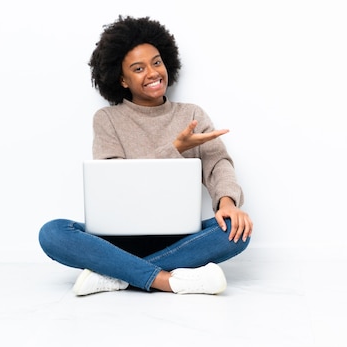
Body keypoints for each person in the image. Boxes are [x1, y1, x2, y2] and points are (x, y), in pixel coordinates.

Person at [38, 16, 253, 296]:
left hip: (178, 237)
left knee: (236, 231)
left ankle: (116, 274)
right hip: (118, 239)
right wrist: (175, 148)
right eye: (138, 68)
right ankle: (167, 280)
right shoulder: (108, 119)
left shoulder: (191, 114)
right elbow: (113, 183)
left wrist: (227, 204)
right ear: (122, 80)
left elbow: (218, 164)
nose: (152, 72)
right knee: (53, 232)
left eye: (156, 62)